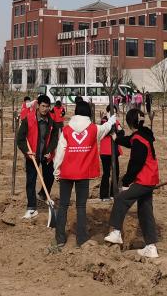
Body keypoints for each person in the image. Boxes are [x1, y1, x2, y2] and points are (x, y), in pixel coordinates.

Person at [51, 99, 115, 249]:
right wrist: (111, 120)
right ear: (89, 113)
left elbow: (60, 152)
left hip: (67, 172)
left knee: (63, 205)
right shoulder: (94, 129)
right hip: (83, 173)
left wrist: (57, 171)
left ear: (75, 113)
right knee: (81, 206)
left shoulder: (67, 130)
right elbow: (105, 128)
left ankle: (60, 238)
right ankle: (81, 238)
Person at [104, 108, 160, 258]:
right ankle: (151, 246)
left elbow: (136, 163)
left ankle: (116, 232)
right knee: (145, 211)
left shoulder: (139, 140)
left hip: (144, 179)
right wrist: (117, 138)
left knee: (121, 199)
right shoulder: (143, 136)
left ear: (129, 123)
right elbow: (129, 141)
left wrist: (126, 181)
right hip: (151, 178)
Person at [15, 94, 60, 220]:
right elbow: (20, 139)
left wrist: (50, 150)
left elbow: (55, 137)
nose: (45, 109)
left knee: (49, 177)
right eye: (43, 106)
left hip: (46, 155)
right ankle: (31, 208)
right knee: (31, 181)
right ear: (38, 106)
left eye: (47, 106)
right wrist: (26, 151)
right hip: (32, 155)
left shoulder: (52, 120)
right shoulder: (28, 119)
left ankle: (43, 195)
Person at [98, 111, 123, 201]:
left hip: (114, 151)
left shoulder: (116, 121)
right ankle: (104, 195)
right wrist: (114, 129)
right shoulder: (104, 121)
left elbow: (121, 132)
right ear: (107, 112)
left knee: (116, 173)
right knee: (106, 173)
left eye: (115, 112)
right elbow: (105, 131)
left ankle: (113, 193)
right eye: (112, 111)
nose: (114, 113)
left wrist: (118, 131)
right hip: (105, 152)